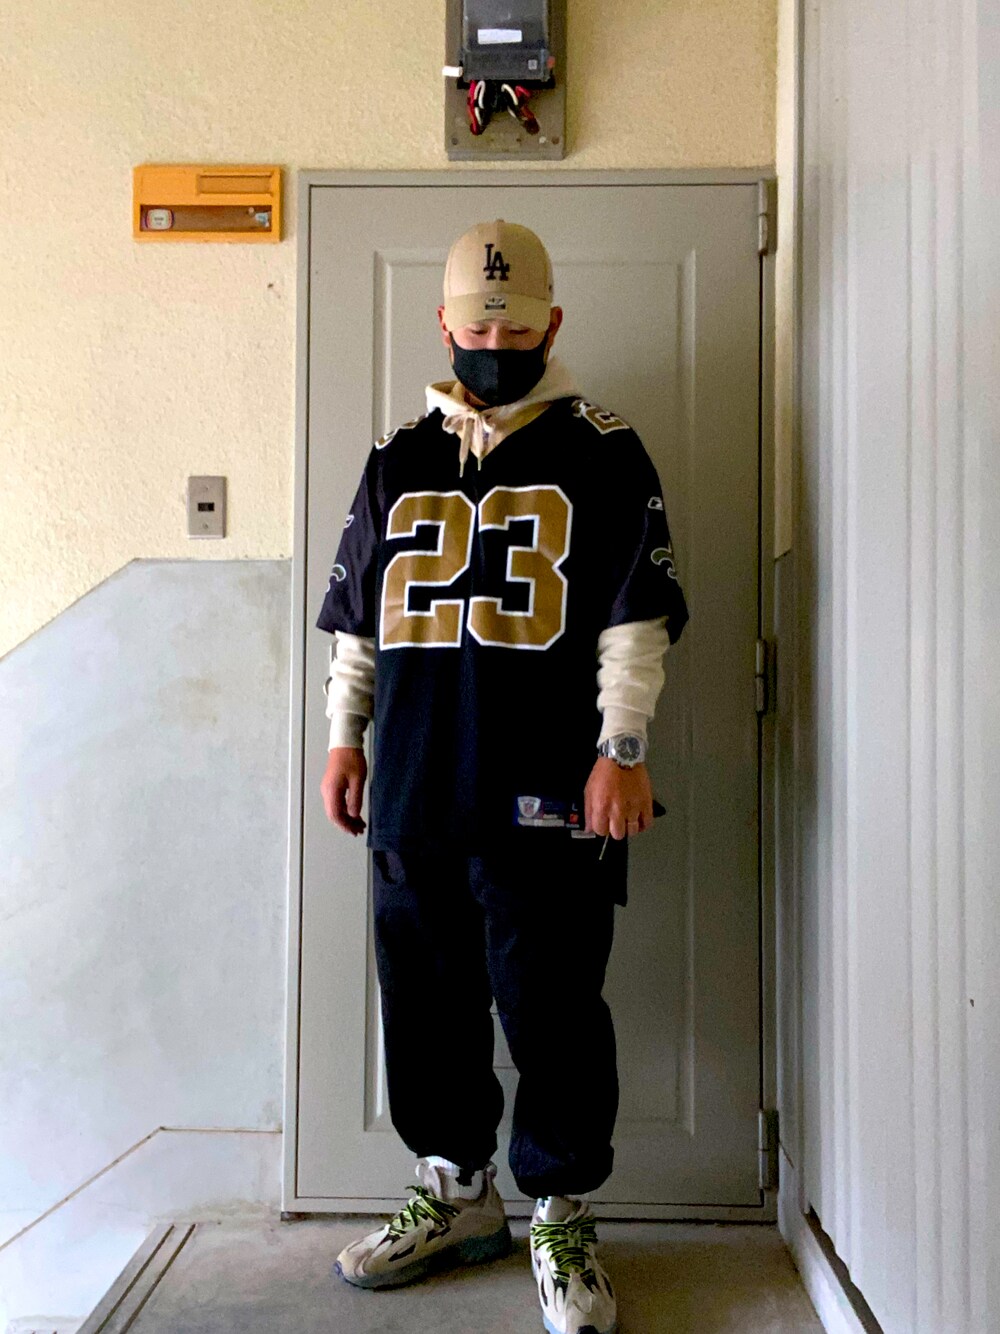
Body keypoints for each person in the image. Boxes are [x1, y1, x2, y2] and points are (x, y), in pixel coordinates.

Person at [316, 219, 689, 1334]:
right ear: (443, 321)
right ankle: (456, 1190)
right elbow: (361, 624)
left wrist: (622, 749)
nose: (493, 344)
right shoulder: (397, 458)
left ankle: (561, 1211)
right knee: (424, 1002)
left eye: (515, 326)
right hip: (414, 784)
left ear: (551, 323)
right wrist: (344, 737)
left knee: (553, 1006)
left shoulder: (603, 450)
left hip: (549, 791)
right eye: (476, 326)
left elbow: (634, 619)